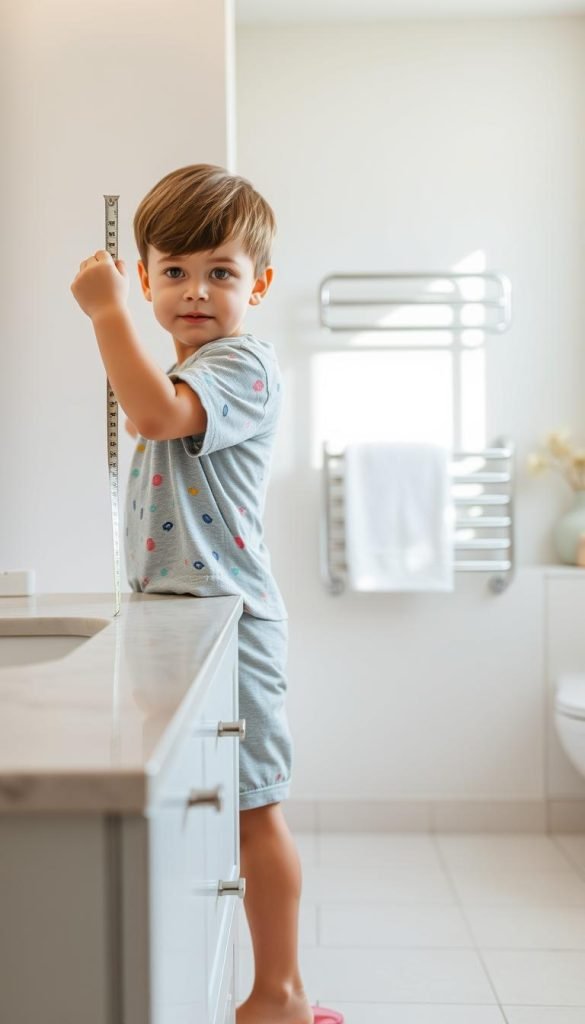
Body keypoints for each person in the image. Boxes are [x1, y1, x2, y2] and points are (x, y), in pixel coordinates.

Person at [70, 164, 343, 1024]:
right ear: (149, 275)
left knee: (256, 810)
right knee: (225, 806)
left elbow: (152, 417)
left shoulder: (241, 366)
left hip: (235, 624)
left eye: (220, 272)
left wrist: (107, 313)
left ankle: (282, 992)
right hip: (186, 626)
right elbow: (153, 405)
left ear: (257, 284)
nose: (196, 291)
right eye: (175, 271)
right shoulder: (191, 368)